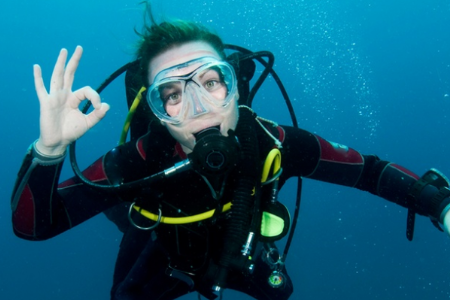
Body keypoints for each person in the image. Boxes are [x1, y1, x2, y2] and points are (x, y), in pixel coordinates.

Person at [10, 5, 450, 300]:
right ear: (157, 111)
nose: (200, 107)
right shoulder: (137, 161)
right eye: (173, 93)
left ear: (235, 85)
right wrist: (48, 150)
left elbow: (367, 172)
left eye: (211, 82)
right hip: (165, 258)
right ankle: (125, 215)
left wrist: (440, 203)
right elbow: (33, 228)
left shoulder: (271, 142)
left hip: (240, 254)